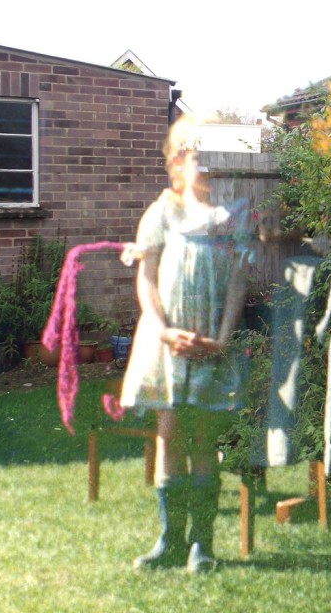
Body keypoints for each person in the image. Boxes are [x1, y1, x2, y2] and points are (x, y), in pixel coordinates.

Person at [119, 114, 253, 573]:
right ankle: (170, 539)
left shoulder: (232, 217)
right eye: (197, 156)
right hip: (167, 342)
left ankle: (203, 545)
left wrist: (223, 336)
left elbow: (238, 282)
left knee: (204, 438)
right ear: (177, 165)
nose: (207, 165)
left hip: (211, 345)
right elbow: (147, 279)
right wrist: (162, 329)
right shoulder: (162, 212)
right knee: (171, 433)